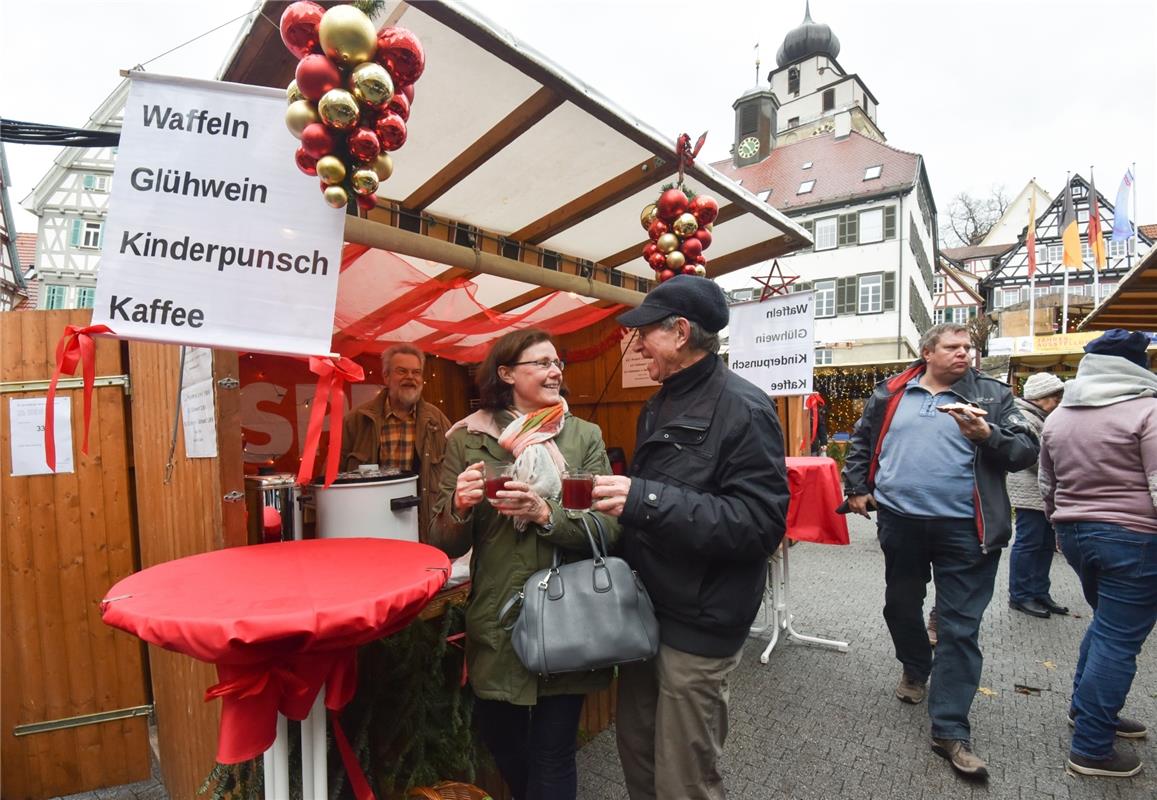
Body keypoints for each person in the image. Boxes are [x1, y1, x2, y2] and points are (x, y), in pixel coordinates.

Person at [590, 275, 790, 800]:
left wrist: (644, 500)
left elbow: (759, 524)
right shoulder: (661, 403)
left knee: (684, 779)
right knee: (636, 753)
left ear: (679, 332)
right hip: (647, 612)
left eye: (644, 333)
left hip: (700, 623)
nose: (636, 343)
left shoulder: (745, 408)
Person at [427, 329, 619, 800]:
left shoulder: (582, 437)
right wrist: (459, 507)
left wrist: (545, 514)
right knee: (502, 739)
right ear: (507, 373)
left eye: (558, 363)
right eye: (541, 363)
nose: (555, 372)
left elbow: (610, 528)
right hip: (499, 617)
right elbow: (440, 541)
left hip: (567, 613)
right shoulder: (467, 440)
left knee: (553, 753)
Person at [842, 322, 1037, 779]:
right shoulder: (891, 392)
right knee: (899, 606)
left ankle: (950, 729)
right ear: (927, 352)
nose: (964, 353)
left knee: (959, 628)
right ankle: (915, 665)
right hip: (902, 522)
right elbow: (862, 440)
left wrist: (987, 435)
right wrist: (856, 487)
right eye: (953, 347)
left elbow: (1026, 451)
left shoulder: (991, 396)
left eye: (968, 347)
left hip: (968, 530)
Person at [1039, 329, 1156, 779]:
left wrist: (1057, 527)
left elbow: (1048, 486)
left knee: (1106, 626)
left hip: (1074, 533)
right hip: (1135, 538)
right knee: (1119, 639)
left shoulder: (1061, 416)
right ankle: (1091, 746)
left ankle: (1085, 712)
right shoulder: (1148, 410)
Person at [340, 343, 451, 539]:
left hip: (422, 528)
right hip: (370, 527)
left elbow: (453, 476)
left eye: (416, 372)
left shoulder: (438, 421)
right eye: (402, 371)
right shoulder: (357, 420)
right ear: (386, 376)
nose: (410, 378)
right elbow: (334, 478)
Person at [1006, 372, 1068, 619]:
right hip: (1030, 492)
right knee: (1029, 543)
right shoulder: (1022, 417)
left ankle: (1040, 591)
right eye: (1057, 397)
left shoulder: (1041, 417)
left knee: (1043, 545)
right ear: (1046, 398)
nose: (1060, 402)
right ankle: (1020, 595)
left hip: (1044, 491)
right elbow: (1033, 456)